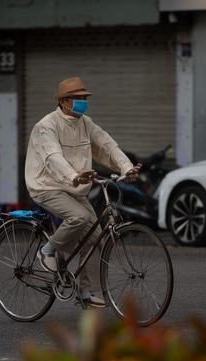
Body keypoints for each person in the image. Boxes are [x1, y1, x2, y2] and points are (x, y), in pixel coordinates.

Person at [25, 77, 141, 308]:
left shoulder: (86, 123)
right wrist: (73, 176)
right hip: (47, 185)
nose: (82, 102)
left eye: (84, 99)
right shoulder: (46, 126)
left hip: (74, 187)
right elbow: (52, 157)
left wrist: (126, 168)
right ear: (64, 102)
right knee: (79, 217)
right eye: (77, 99)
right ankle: (47, 250)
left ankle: (86, 292)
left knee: (94, 237)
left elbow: (107, 145)